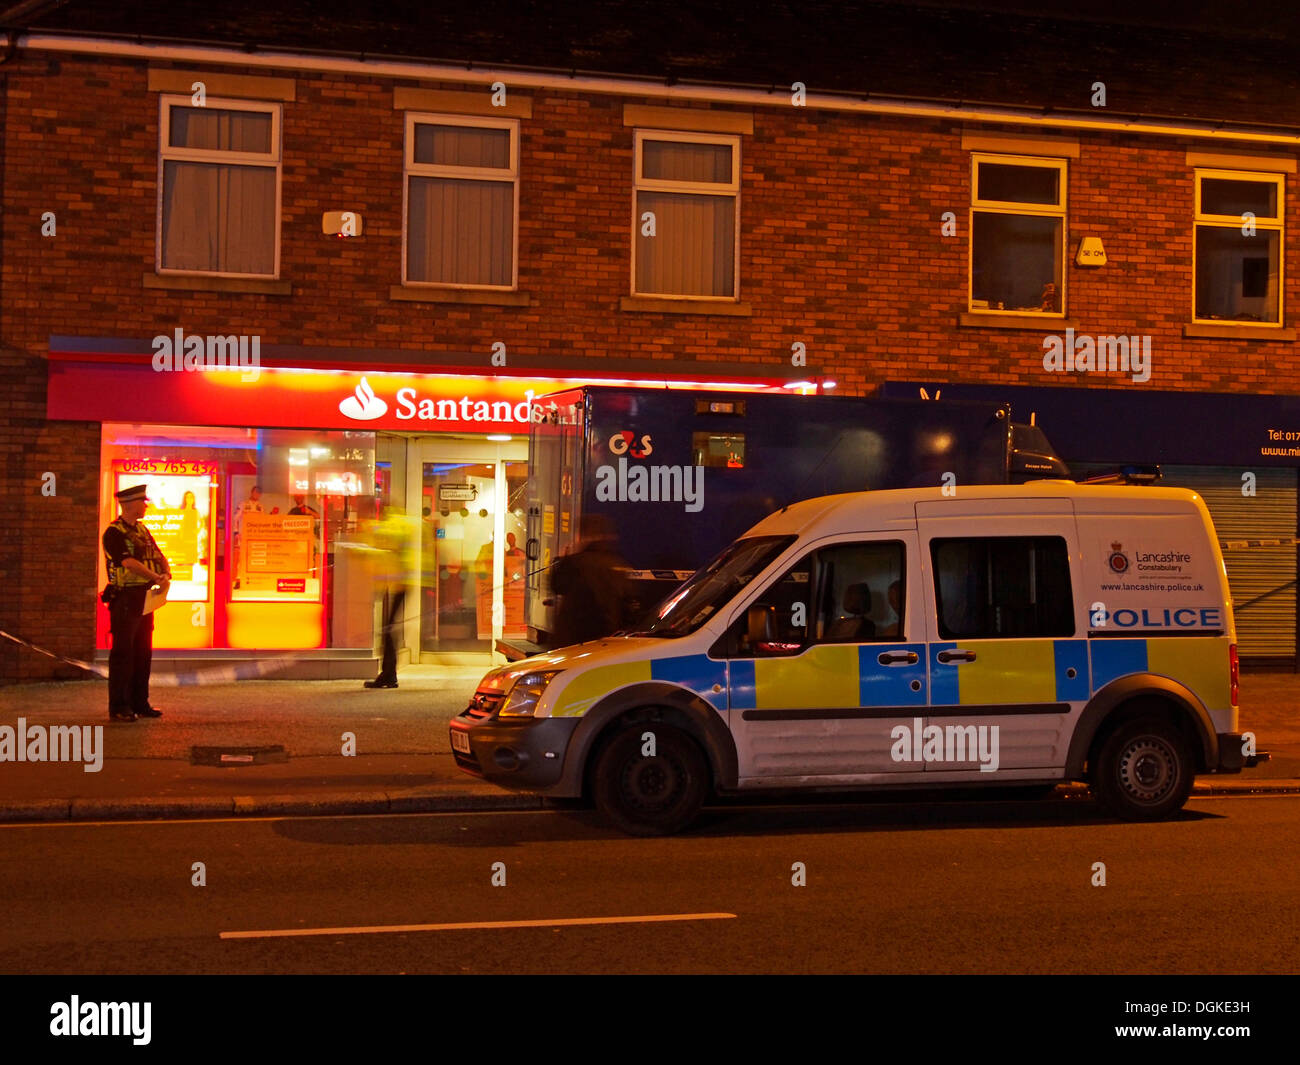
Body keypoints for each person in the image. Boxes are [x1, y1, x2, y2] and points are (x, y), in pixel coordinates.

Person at [101, 484, 171, 722]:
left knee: (143, 652)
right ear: (129, 504)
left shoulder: (142, 530)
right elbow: (128, 563)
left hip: (144, 598)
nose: (146, 505)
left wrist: (165, 575)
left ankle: (140, 703)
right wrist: (156, 578)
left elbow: (158, 554)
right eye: (143, 502)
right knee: (123, 653)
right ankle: (120, 706)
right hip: (125, 599)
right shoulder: (114, 532)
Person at [550, 514, 630, 648]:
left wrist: (561, 561)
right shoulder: (618, 564)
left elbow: (557, 586)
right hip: (604, 636)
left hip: (573, 635)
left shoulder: (575, 562)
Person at [364, 505, 417, 689]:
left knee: (387, 629)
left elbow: (388, 547)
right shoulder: (400, 525)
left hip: (398, 583)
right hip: (396, 583)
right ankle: (389, 674)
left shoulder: (396, 526)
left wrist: (369, 529)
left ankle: (388, 675)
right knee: (387, 629)